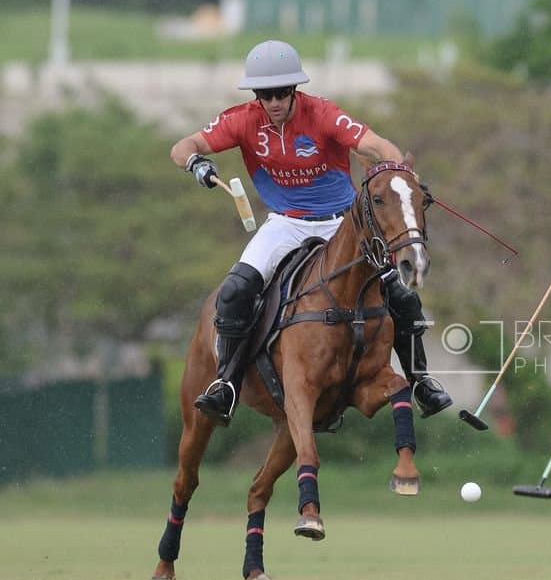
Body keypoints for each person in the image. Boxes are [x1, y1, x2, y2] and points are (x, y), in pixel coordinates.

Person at [170, 39, 452, 426]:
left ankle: (420, 380)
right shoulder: (241, 120)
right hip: (286, 222)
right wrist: (195, 163)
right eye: (265, 94)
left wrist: (399, 170)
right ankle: (228, 384)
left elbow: (375, 145)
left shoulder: (322, 114)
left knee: (400, 294)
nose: (274, 102)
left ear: (294, 90)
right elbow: (183, 145)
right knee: (236, 291)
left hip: (341, 223)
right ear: (256, 95)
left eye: (282, 92)